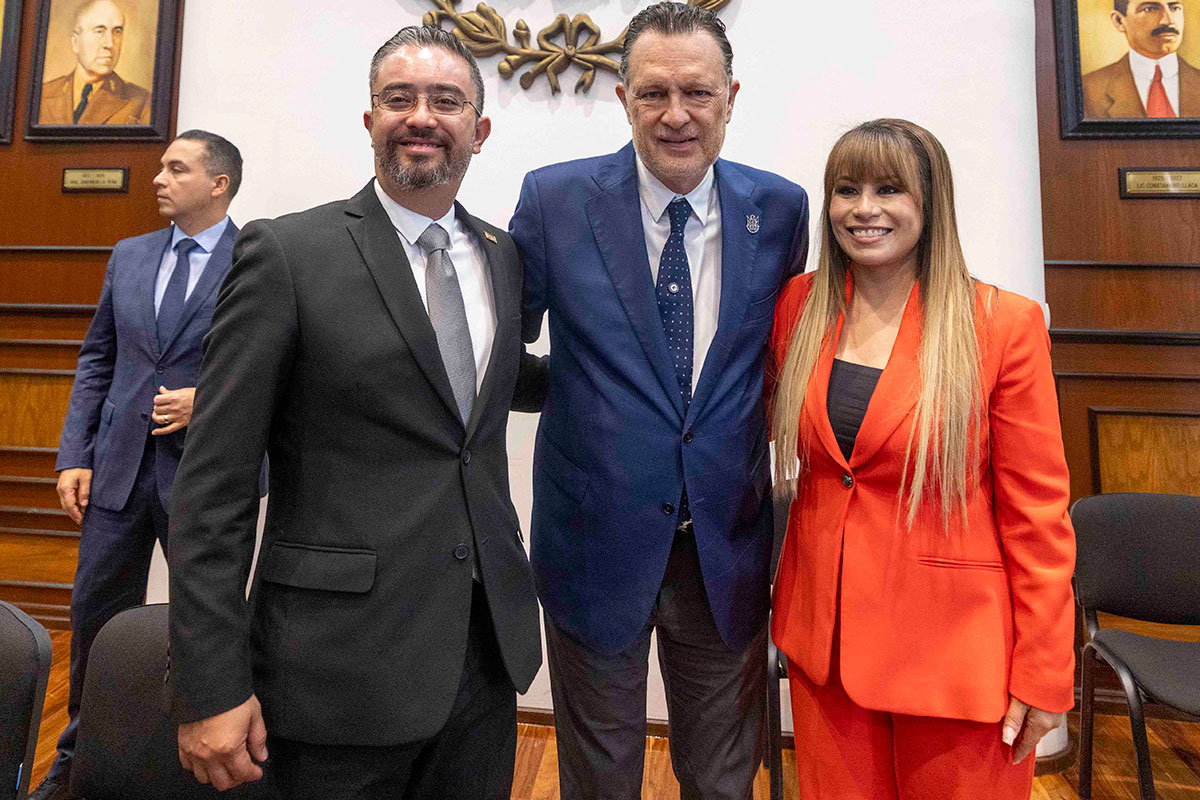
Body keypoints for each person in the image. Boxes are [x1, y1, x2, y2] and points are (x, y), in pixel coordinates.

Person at [168, 25, 546, 798]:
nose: (422, 116)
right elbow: (214, 487)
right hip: (332, 670)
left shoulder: (502, 256)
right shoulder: (286, 254)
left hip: (481, 657)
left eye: (446, 101)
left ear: (479, 130)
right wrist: (210, 686)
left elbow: (489, 397)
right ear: (370, 120)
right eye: (399, 98)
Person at [509, 3, 808, 797]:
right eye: (653, 93)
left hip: (724, 546)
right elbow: (501, 349)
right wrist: (573, 393)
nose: (676, 115)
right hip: (592, 544)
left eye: (697, 92)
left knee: (721, 778)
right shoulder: (555, 201)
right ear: (623, 99)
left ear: (730, 97)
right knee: (599, 778)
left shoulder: (781, 211)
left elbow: (780, 358)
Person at [768, 118, 1076, 799]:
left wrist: (1046, 671)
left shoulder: (1002, 324)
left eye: (889, 189)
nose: (863, 208)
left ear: (930, 202)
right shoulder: (798, 308)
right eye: (846, 190)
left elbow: (1037, 516)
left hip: (956, 658)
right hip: (828, 654)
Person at [30, 129, 242, 800]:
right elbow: (98, 358)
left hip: (205, 474)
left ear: (219, 184)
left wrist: (208, 400)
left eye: (177, 168)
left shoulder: (258, 259)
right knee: (94, 614)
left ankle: (201, 762)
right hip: (116, 470)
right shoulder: (129, 254)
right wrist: (75, 454)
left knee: (207, 622)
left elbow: (278, 366)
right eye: (160, 166)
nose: (158, 178)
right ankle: (76, 759)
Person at [38, 0, 150, 126]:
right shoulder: (43, 95)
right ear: (75, 42)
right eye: (99, 31)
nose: (110, 43)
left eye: (117, 31)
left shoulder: (141, 102)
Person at [1083, 0, 1199, 117]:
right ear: (1119, 21)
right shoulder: (1089, 90)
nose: (1168, 21)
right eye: (1150, 9)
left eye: (1174, 8)